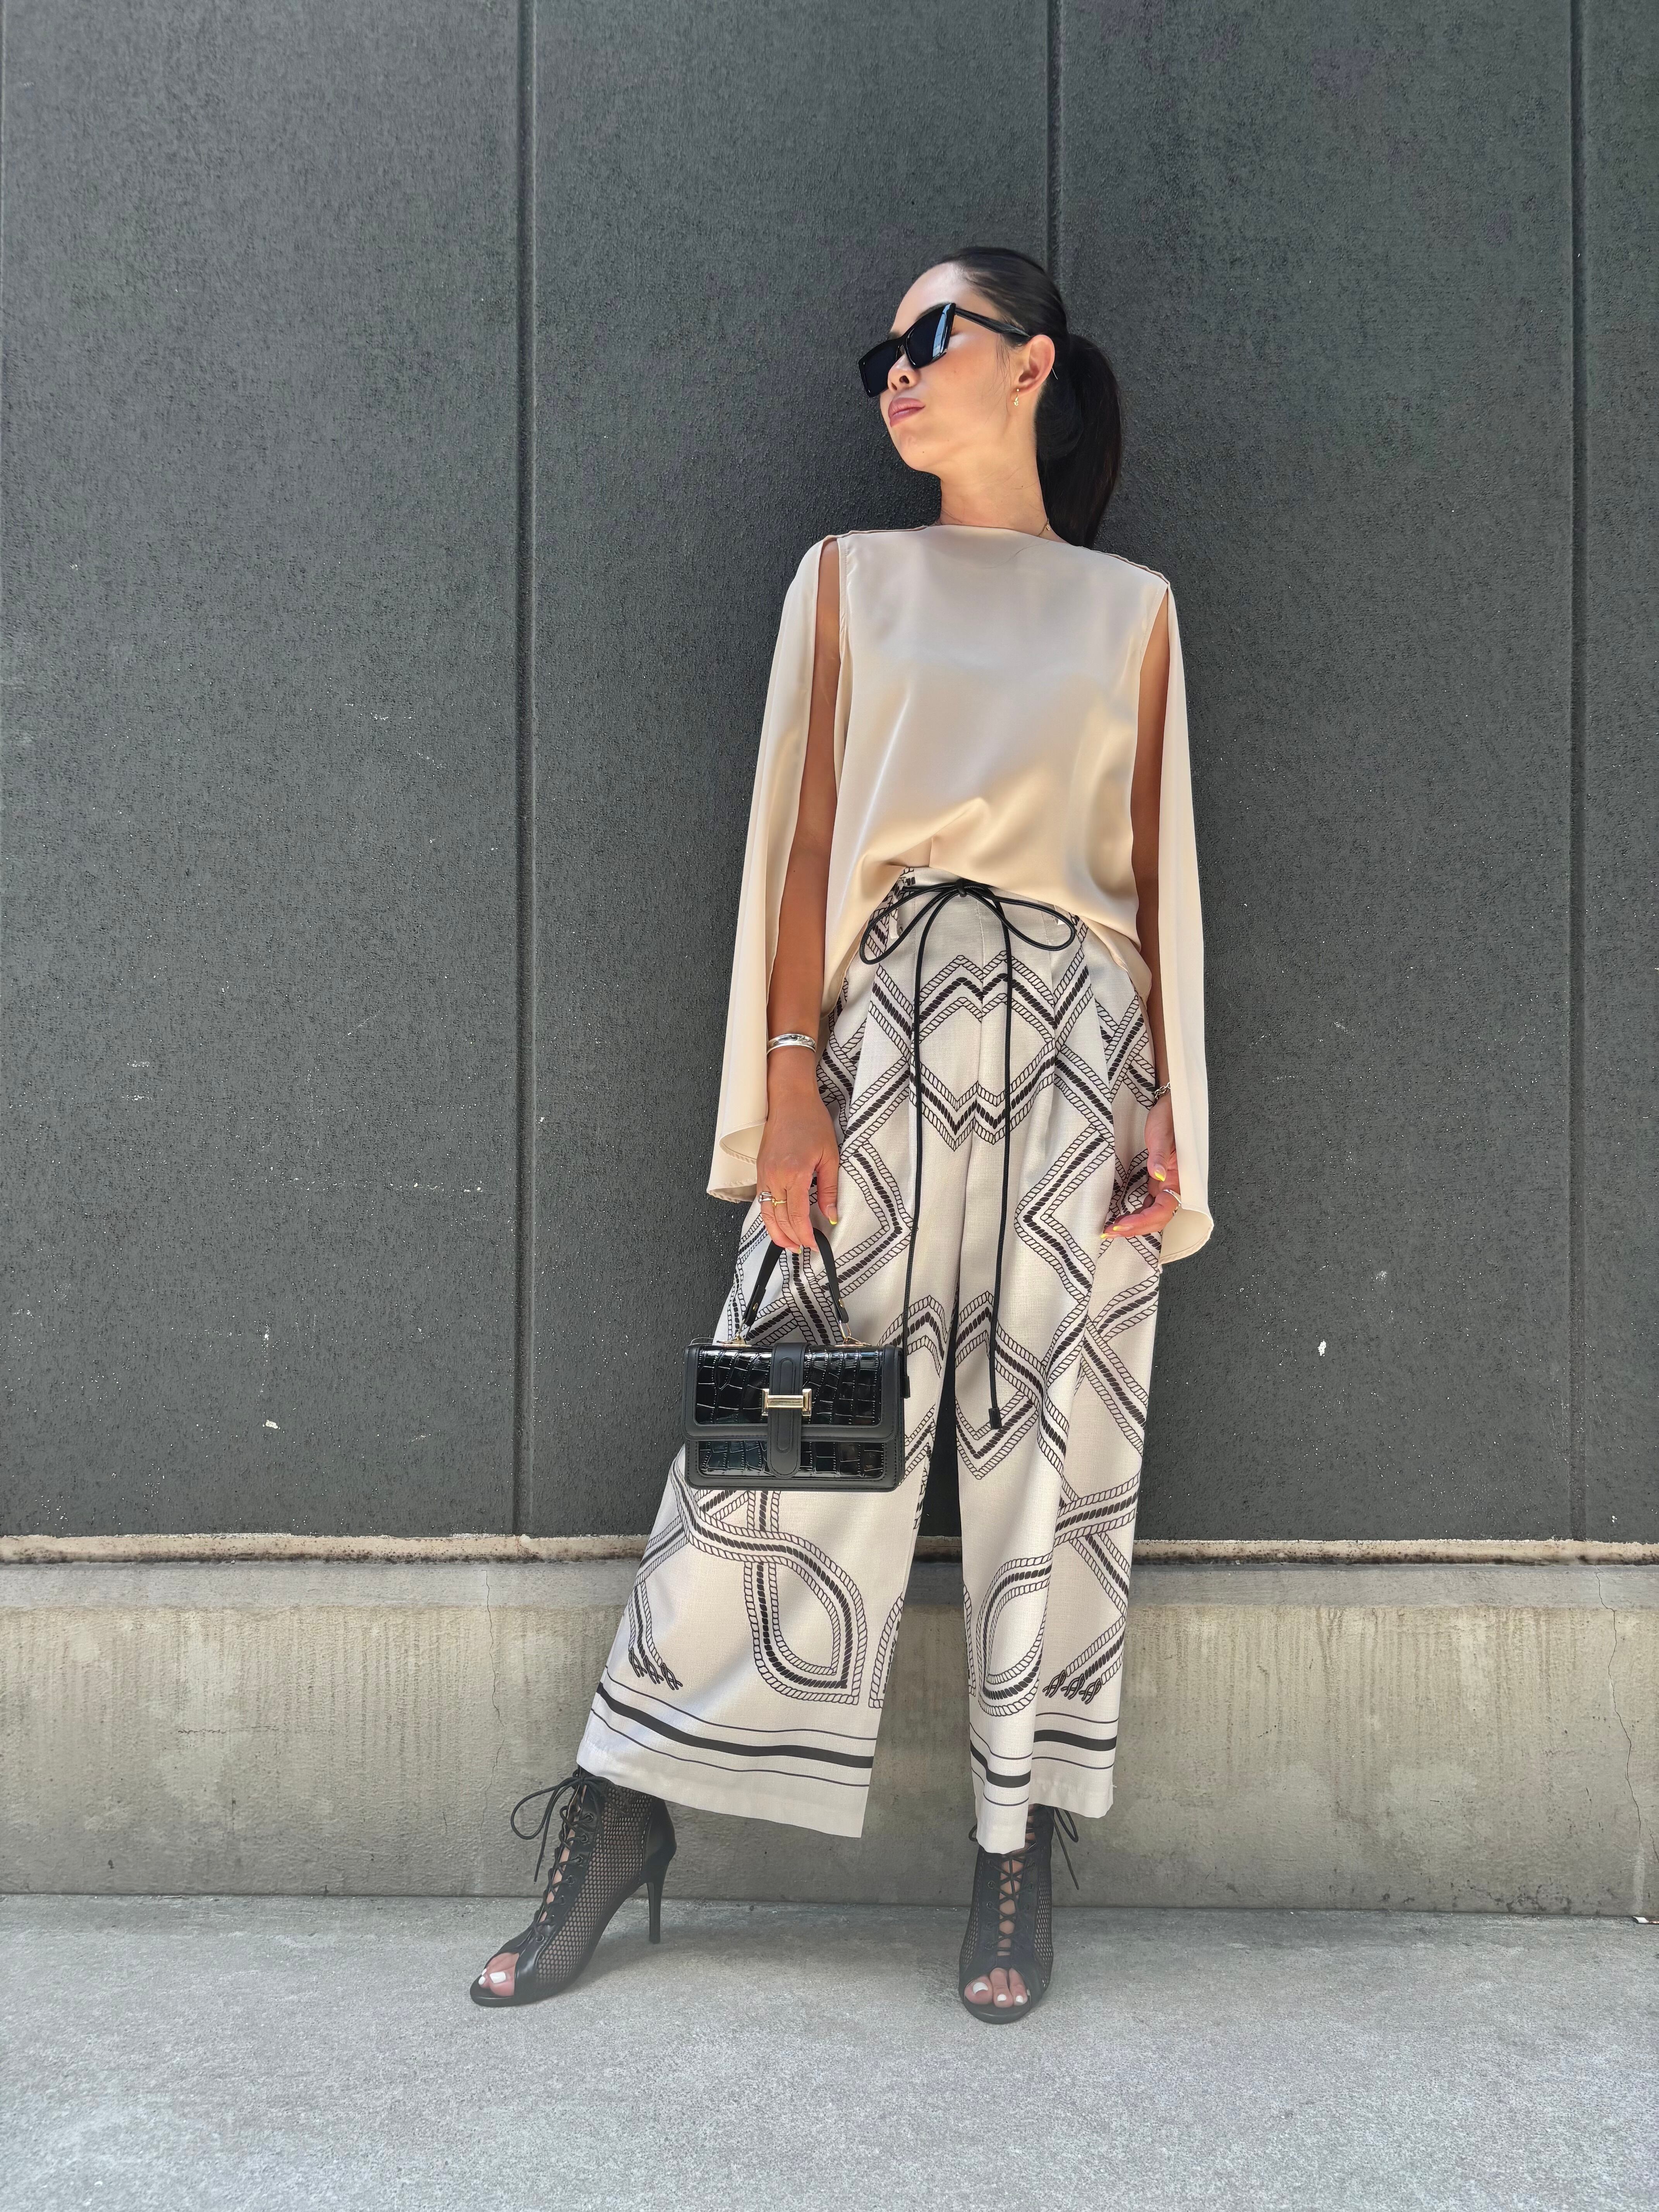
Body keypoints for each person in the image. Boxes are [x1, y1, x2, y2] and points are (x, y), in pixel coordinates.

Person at [470, 245, 1211, 2022]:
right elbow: (800, 841)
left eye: (929, 338)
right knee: (784, 1420)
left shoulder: (1133, 612)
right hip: (881, 1037)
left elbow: (1154, 874)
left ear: (1031, 365)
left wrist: (1172, 1100)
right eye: (879, 352)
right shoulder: (847, 579)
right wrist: (786, 1076)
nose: (894, 371)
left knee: (1051, 1448)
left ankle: (1018, 1854)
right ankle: (621, 1809)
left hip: (1081, 1052)